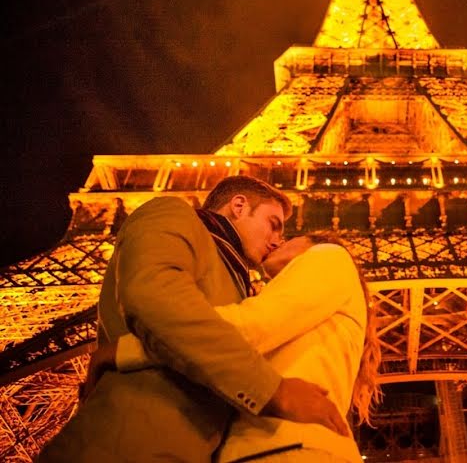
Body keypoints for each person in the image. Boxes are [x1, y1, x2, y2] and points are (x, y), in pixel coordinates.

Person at [39, 176, 347, 462]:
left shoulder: (244, 288)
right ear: (238, 206)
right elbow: (156, 297)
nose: (278, 240)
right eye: (273, 224)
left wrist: (123, 352)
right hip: (121, 445)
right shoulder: (174, 214)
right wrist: (272, 390)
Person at [90, 234, 381, 462]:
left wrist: (127, 350)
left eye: (289, 235)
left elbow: (246, 329)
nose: (277, 240)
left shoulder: (329, 255)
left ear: (316, 242)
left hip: (282, 449)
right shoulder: (315, 299)